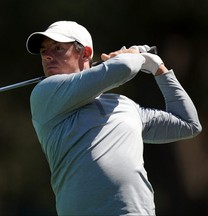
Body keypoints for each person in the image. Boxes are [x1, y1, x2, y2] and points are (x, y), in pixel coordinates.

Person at [25, 20, 202, 215]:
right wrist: (136, 57)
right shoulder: (45, 94)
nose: (48, 56)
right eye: (43, 51)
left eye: (58, 48)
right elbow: (125, 67)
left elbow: (188, 124)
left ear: (85, 53)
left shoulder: (125, 105)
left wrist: (158, 67)